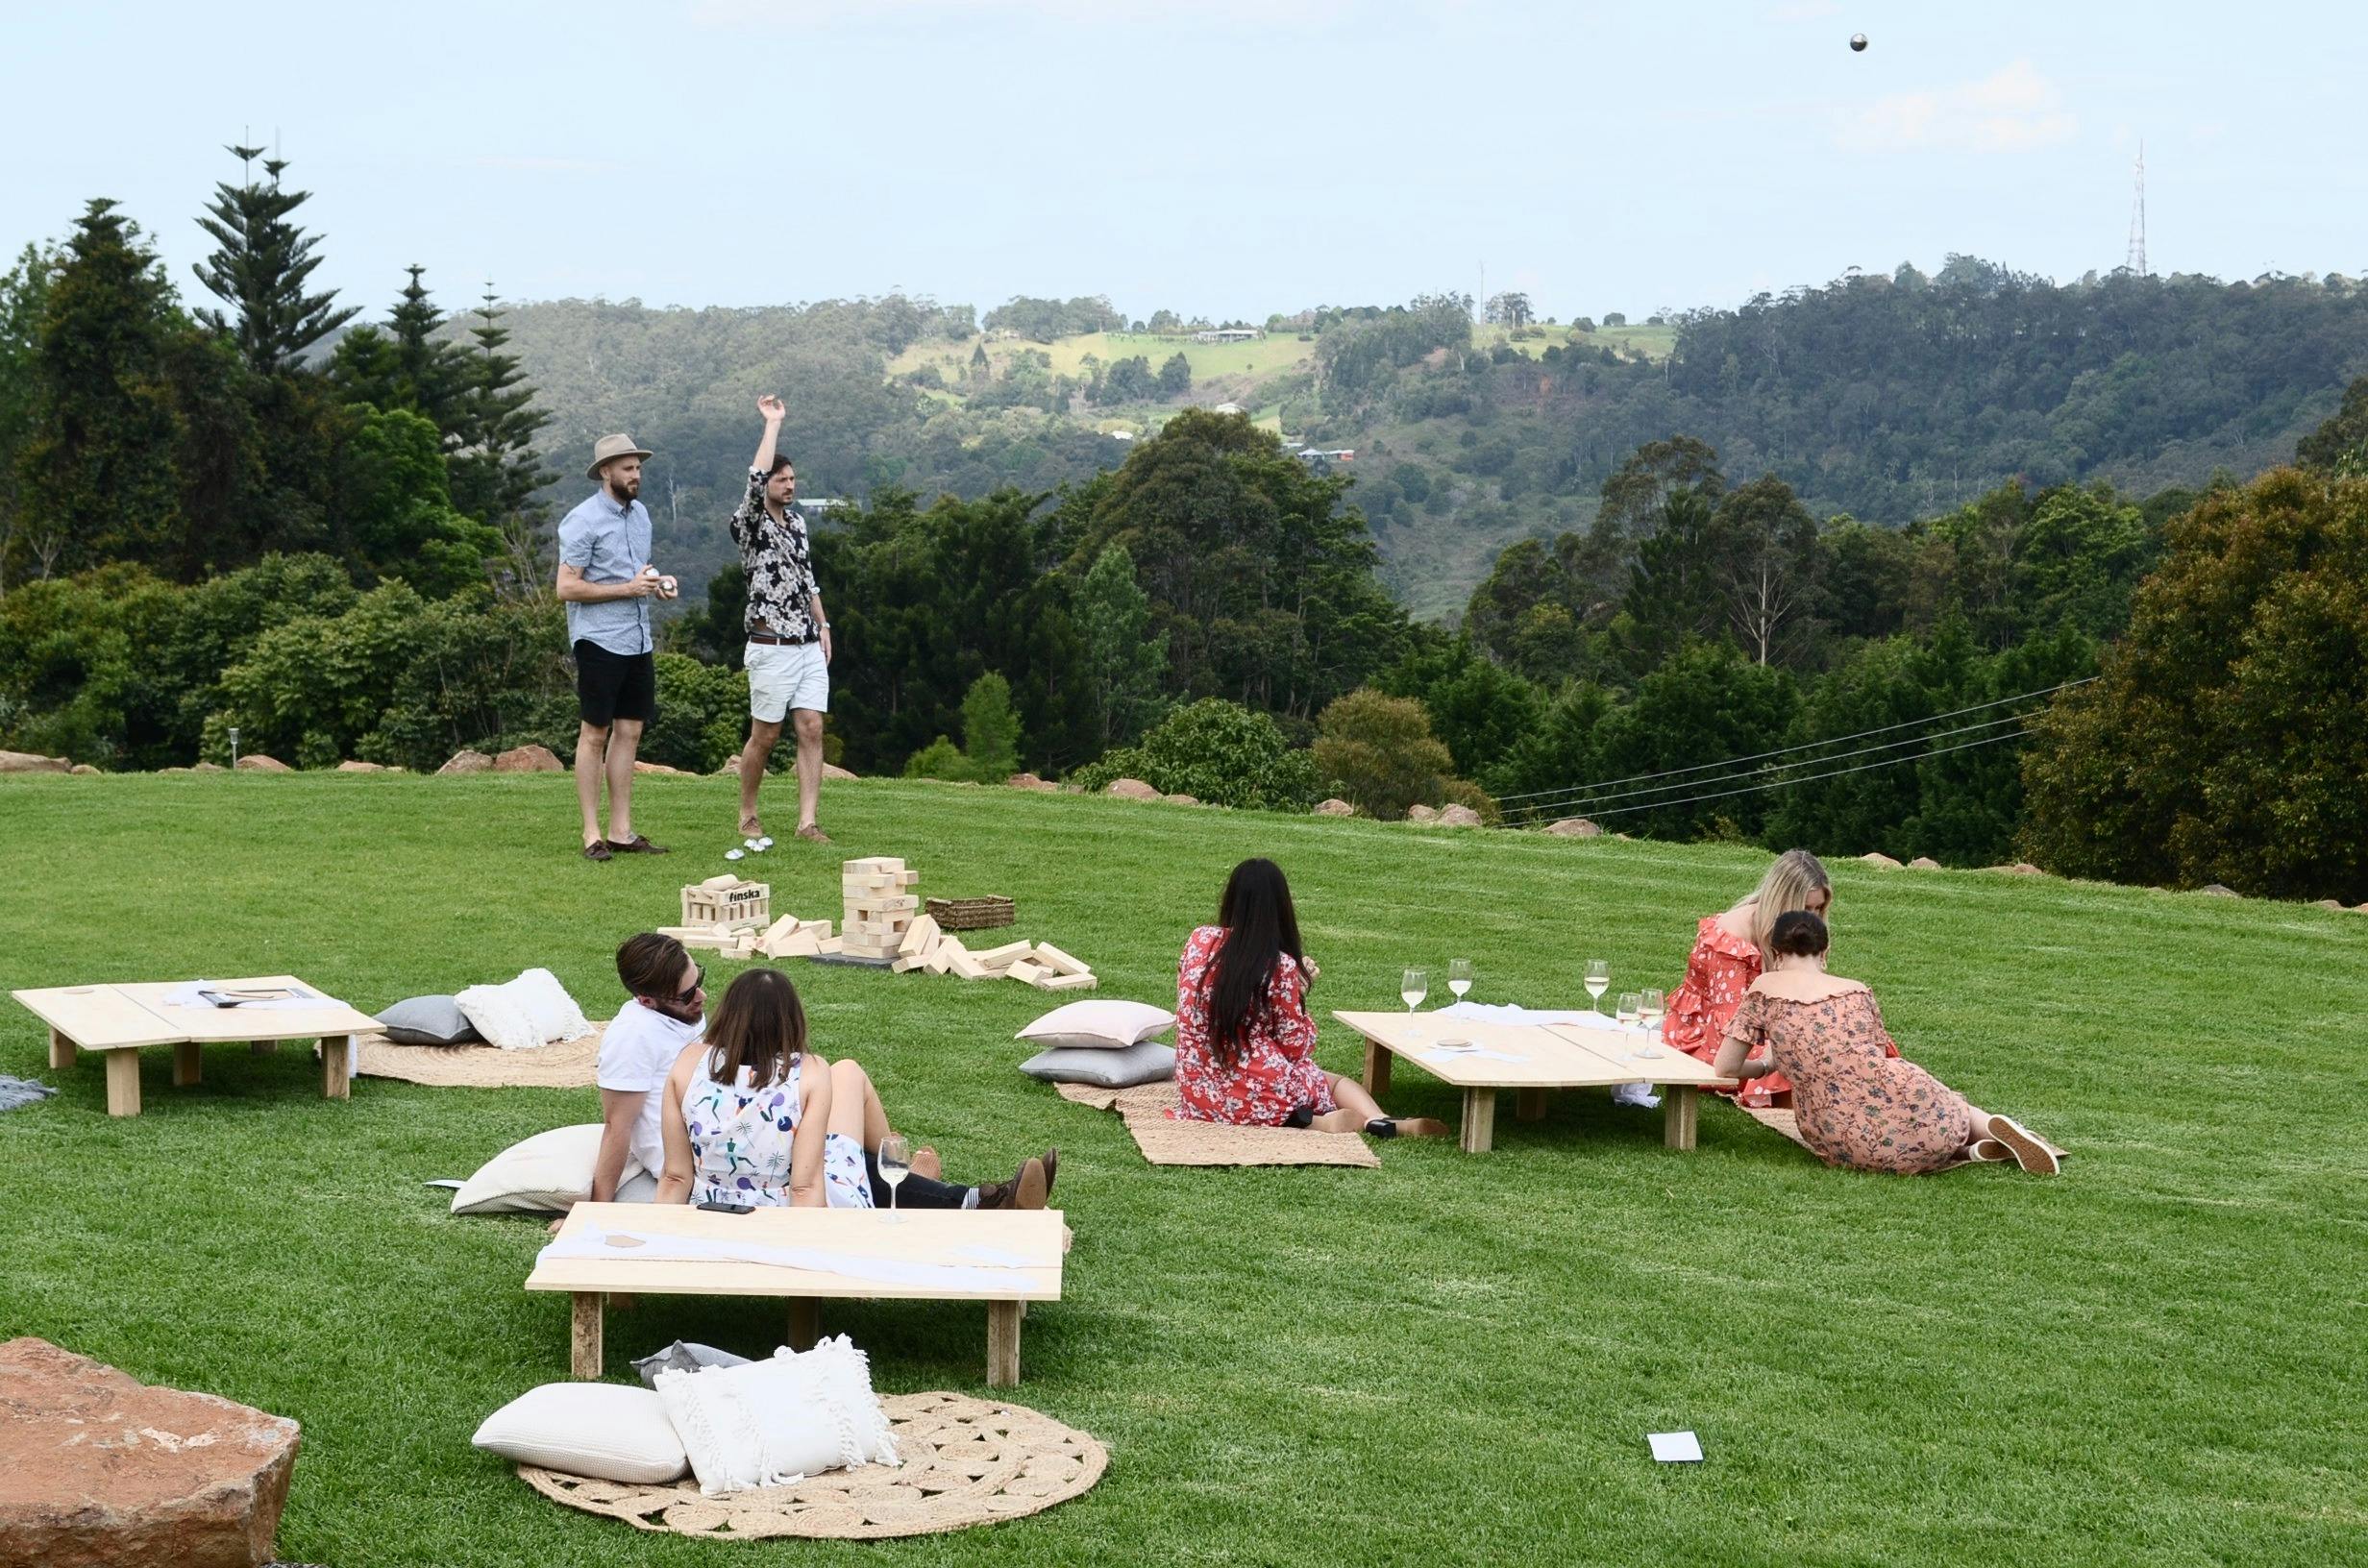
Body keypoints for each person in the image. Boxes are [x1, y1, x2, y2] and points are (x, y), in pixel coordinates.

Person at [653, 968, 1055, 1210]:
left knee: (846, 1073)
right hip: (790, 1211)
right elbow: (806, 1186)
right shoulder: (809, 1071)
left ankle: (910, 1179)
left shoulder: (687, 1063)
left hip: (714, 1208)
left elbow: (674, 1178)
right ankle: (918, 1184)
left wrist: (645, 1250)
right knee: (848, 1076)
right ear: (791, 1021)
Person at [1714, 912, 2058, 1174]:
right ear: (1825, 948)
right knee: (1954, 1108)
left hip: (1842, 1138)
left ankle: (1970, 1152)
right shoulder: (1857, 990)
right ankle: (1992, 1134)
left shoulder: (1764, 990)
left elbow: (1725, 1067)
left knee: (1886, 1143)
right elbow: (1873, 1060)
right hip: (1917, 1111)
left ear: (1774, 950)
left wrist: (1766, 1065)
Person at [1172, 858, 1447, 1137]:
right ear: (1280, 909)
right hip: (1261, 1090)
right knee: (1334, 1082)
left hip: (1199, 1091)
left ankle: (1310, 1122)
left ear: (1230, 899)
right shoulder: (1278, 966)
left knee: (1269, 1082)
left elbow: (1194, 997)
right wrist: (1298, 993)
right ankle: (1379, 1120)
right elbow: (1295, 1048)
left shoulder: (1199, 940)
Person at [1661, 848, 1892, 1105]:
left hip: (1766, 1024)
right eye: (1805, 908)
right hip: (1713, 1034)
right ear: (1782, 902)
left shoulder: (1794, 935)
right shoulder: (1731, 936)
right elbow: (1732, 1023)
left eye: (1818, 909)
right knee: (1799, 1058)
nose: (1811, 918)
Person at [556, 433, 675, 862]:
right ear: (606, 472)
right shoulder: (581, 520)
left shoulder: (640, 515)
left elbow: (637, 572)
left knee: (631, 731)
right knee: (595, 734)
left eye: (638, 468)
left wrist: (657, 584)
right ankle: (592, 834)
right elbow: (565, 587)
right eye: (627, 468)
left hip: (637, 637)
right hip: (598, 641)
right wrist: (628, 588)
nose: (635, 475)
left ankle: (621, 831)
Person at [729, 395, 834, 845]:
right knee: (765, 736)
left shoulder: (798, 524)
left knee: (811, 726)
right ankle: (748, 813)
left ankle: (807, 821)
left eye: (792, 479)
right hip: (770, 645)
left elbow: (809, 579)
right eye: (782, 478)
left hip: (808, 643)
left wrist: (824, 626)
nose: (789, 485)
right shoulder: (749, 523)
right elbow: (754, 480)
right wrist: (773, 424)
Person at [590, 933, 709, 1204]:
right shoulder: (633, 1036)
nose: (702, 995)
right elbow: (617, 1126)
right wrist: (596, 1210)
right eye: (688, 994)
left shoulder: (680, 1012)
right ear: (646, 1001)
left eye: (698, 980)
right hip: (686, 1169)